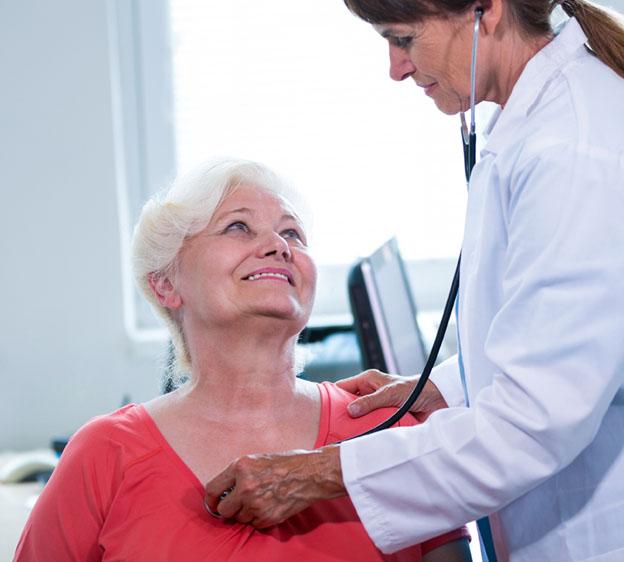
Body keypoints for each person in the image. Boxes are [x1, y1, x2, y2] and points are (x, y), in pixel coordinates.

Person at [203, 1, 624, 561]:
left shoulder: (573, 147)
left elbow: (532, 424)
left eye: (403, 38)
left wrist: (322, 474)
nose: (396, 69)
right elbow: (565, 335)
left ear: (487, 10)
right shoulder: (534, 120)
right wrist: (448, 387)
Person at [13, 158, 471, 561]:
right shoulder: (103, 455)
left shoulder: (387, 430)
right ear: (166, 284)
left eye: (292, 232)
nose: (278, 244)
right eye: (238, 227)